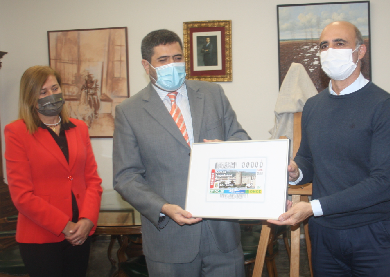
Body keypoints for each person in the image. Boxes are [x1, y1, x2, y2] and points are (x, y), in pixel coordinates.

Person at [268, 21, 390, 276]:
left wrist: (312, 208)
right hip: (324, 235)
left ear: (360, 51)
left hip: (371, 233)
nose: (330, 50)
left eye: (340, 43)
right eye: (324, 45)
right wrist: (296, 172)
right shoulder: (313, 106)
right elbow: (308, 160)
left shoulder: (386, 107)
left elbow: (383, 182)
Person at [113, 29, 249, 277]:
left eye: (177, 57)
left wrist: (226, 150)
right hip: (169, 239)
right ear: (147, 65)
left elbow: (240, 137)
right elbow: (126, 176)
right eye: (163, 60)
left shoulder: (212, 94)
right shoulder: (129, 111)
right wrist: (163, 207)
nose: (172, 65)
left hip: (223, 235)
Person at [4, 65, 103, 277]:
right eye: (43, 92)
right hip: (41, 238)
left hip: (81, 234)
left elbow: (92, 180)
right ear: (30, 98)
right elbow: (22, 196)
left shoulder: (79, 128)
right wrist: (64, 225)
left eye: (55, 88)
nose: (52, 95)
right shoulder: (16, 132)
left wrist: (87, 220)